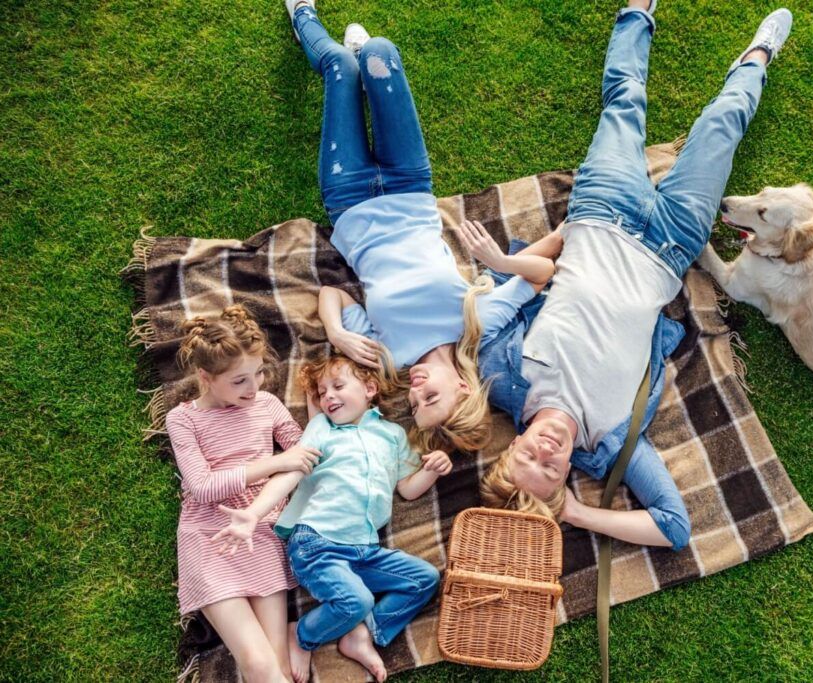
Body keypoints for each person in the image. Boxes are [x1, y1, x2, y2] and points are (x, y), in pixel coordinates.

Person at [478, 2, 793, 550]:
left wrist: (556, 243)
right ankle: (757, 58)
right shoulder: (612, 442)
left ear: (513, 444)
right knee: (722, 125)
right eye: (550, 470)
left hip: (602, 209)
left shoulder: (502, 376)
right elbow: (673, 527)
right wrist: (573, 513)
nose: (546, 451)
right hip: (671, 245)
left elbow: (505, 298)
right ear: (564, 479)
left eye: (528, 454)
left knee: (624, 101)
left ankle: (637, 13)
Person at [284, 0, 555, 457]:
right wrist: (499, 262)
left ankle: (303, 16)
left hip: (350, 200)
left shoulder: (386, 359)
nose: (416, 390)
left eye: (415, 402)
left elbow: (333, 293)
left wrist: (336, 332)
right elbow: (540, 274)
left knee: (339, 67)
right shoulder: (479, 325)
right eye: (430, 397)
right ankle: (370, 75)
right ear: (465, 390)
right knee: (379, 51)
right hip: (408, 186)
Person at [214, 355, 452, 683]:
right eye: (322, 392)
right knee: (356, 599)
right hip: (317, 543)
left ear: (370, 388)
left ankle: (363, 633)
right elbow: (293, 470)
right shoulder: (322, 429)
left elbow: (409, 490)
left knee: (424, 579)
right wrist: (254, 512)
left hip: (364, 550)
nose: (328, 396)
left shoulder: (393, 434)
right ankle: (302, 635)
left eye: (338, 386)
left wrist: (431, 469)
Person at [164, 305, 322, 683]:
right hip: (210, 537)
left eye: (259, 373)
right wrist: (272, 464)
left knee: (278, 669)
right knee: (257, 664)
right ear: (205, 377)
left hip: (262, 533)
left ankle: (290, 637)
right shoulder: (183, 419)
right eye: (239, 381)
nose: (255, 388)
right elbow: (202, 487)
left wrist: (317, 424)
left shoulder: (267, 404)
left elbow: (304, 451)